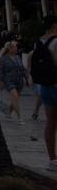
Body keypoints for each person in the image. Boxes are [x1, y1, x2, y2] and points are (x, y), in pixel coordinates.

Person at [35, 16, 57, 171]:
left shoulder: (39, 42)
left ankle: (52, 160)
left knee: (50, 123)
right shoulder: (56, 42)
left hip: (45, 87)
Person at [0, 40, 27, 123]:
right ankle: (19, 117)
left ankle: (8, 113)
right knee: (15, 96)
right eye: (15, 47)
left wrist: (27, 79)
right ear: (10, 48)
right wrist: (0, 82)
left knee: (15, 99)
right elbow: (0, 71)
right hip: (9, 81)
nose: (17, 48)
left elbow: (22, 69)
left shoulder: (17, 57)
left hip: (19, 81)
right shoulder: (3, 58)